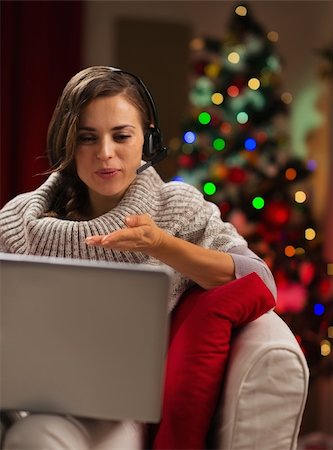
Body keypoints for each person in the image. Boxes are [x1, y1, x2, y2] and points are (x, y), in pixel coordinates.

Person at [0, 66, 277, 449]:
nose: (105, 153)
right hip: (24, 406)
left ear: (148, 137)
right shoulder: (19, 219)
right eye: (87, 138)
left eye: (121, 135)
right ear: (67, 143)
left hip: (115, 414)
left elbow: (258, 280)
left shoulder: (175, 209)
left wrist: (160, 244)